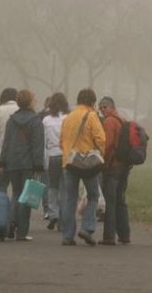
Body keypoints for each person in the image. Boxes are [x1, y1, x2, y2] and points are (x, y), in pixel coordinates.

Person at [0, 89, 44, 241]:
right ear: (30, 102)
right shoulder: (35, 121)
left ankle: (11, 222)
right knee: (27, 197)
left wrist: (1, 162)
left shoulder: (12, 120)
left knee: (16, 194)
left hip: (12, 162)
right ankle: (22, 232)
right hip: (28, 164)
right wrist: (38, 164)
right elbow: (37, 145)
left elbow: (6, 143)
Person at [59, 88, 105, 246]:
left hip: (69, 162)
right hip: (86, 163)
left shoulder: (68, 117)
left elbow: (61, 140)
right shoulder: (91, 116)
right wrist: (100, 154)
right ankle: (87, 227)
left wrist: (67, 154)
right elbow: (101, 138)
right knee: (92, 195)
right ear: (92, 102)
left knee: (70, 199)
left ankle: (67, 236)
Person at [97, 96, 132, 245]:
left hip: (113, 167)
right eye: (101, 107)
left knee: (110, 202)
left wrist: (101, 161)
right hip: (124, 166)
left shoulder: (109, 121)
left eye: (105, 107)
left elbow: (108, 143)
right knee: (120, 200)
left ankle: (109, 236)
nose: (103, 110)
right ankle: (124, 235)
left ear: (112, 107)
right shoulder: (122, 120)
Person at [0, 87, 19, 237]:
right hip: (17, 159)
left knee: (0, 189)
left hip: (0, 158)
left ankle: (0, 222)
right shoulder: (21, 110)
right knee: (17, 192)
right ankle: (13, 221)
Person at [42, 92, 69, 231]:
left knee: (52, 186)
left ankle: (53, 213)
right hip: (65, 156)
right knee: (64, 188)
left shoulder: (46, 120)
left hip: (52, 156)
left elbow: (44, 141)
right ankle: (64, 218)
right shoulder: (68, 118)